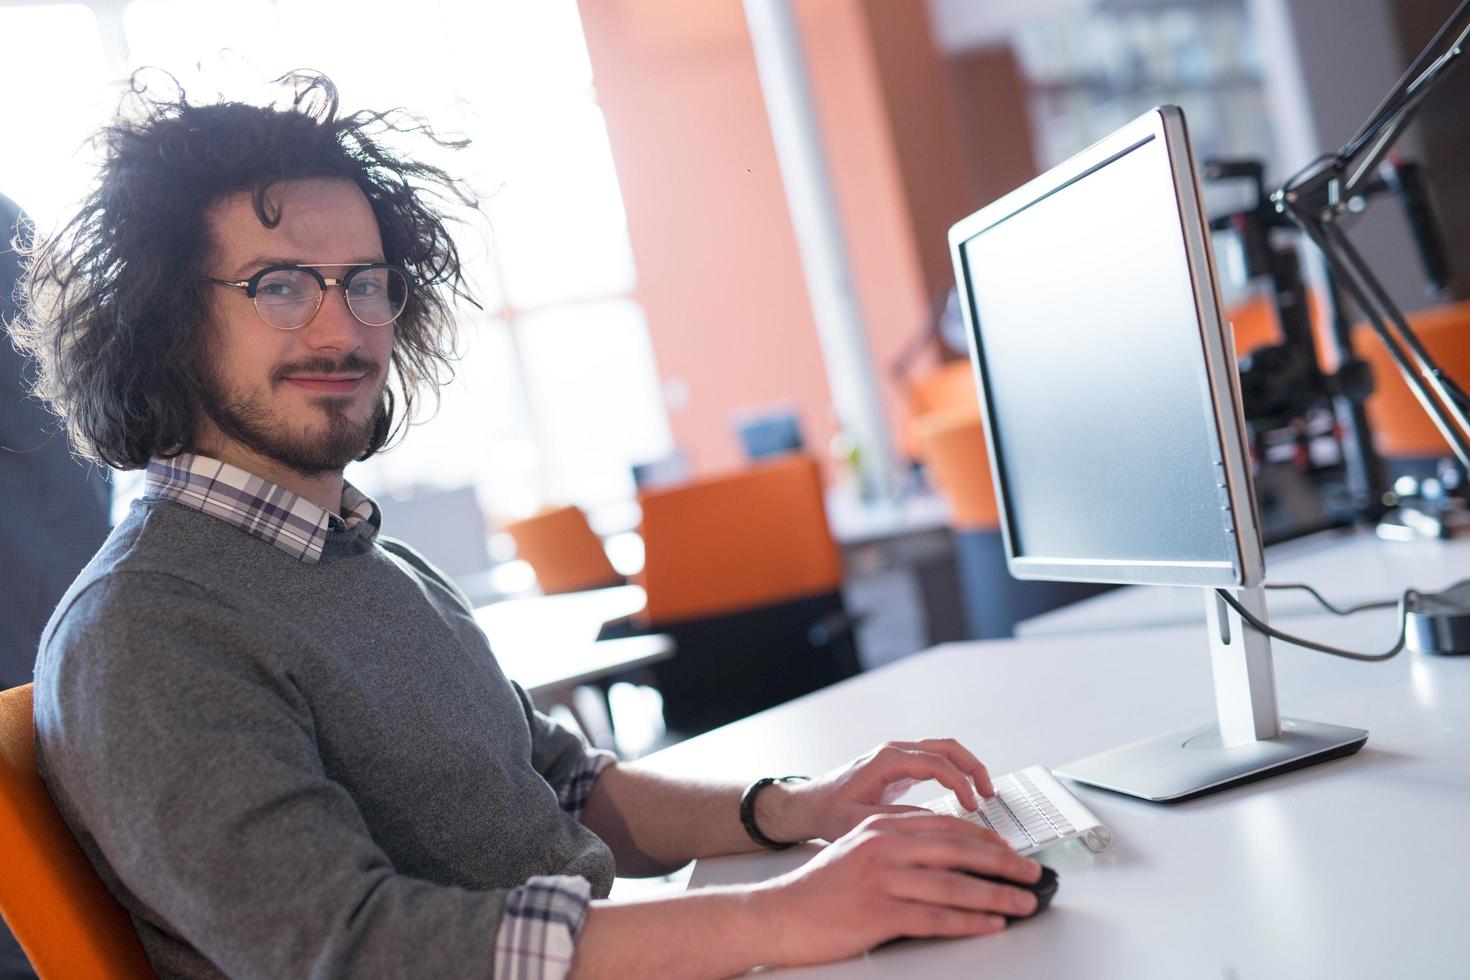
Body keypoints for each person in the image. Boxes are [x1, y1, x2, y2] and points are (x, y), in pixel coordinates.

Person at [10, 73, 1041, 979]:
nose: (343, 325)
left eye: (366, 282)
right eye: (281, 285)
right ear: (164, 319)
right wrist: (781, 914)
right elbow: (353, 952)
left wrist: (798, 807)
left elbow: (565, 783)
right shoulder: (145, 631)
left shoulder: (372, 558)